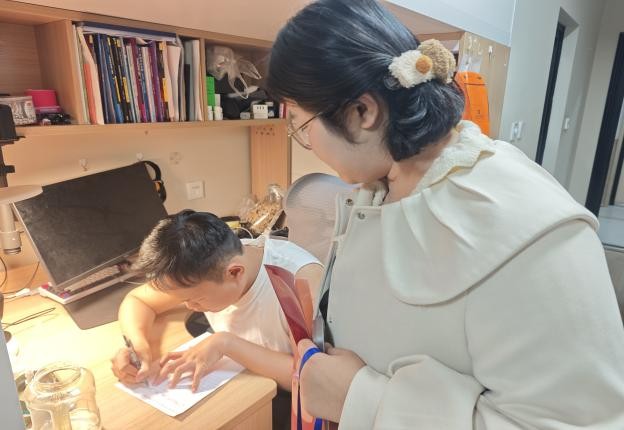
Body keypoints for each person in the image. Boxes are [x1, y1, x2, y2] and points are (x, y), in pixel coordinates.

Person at [267, 0, 624, 428]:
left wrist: (361, 400)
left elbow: (576, 422)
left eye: (302, 126)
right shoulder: (379, 186)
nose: (309, 145)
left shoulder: (531, 231)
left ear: (363, 112)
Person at [110, 210, 322, 392]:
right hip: (244, 383)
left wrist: (225, 343)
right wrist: (139, 347)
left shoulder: (297, 283)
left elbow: (311, 379)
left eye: (195, 300)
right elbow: (138, 300)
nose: (189, 307)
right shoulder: (199, 267)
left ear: (235, 273)